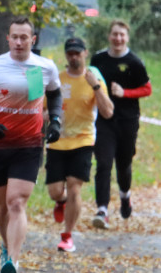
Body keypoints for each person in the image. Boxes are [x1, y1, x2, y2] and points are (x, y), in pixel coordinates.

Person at [0, 16, 62, 273]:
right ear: (7, 39)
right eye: (15, 37)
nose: (20, 42)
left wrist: (55, 121)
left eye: (25, 37)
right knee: (1, 209)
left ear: (32, 40)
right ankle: (6, 246)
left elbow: (55, 95)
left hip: (29, 145)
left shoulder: (43, 68)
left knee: (16, 202)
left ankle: (13, 261)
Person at [45, 37, 114, 253]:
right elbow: (44, 109)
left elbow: (108, 111)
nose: (74, 57)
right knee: (56, 191)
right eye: (70, 53)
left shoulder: (93, 79)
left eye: (78, 53)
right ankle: (61, 201)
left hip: (83, 140)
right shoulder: (57, 79)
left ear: (85, 53)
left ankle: (67, 236)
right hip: (57, 141)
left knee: (75, 186)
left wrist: (96, 86)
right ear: (66, 55)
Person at [89, 20, 152, 228]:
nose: (118, 39)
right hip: (104, 120)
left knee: (123, 164)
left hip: (127, 119)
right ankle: (102, 210)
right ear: (109, 36)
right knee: (104, 163)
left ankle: (125, 195)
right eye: (115, 34)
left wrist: (125, 93)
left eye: (122, 35)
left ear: (127, 38)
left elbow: (147, 89)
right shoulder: (98, 59)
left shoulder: (134, 62)